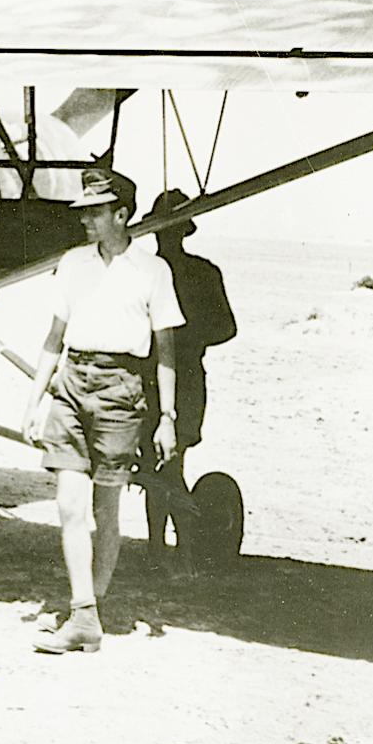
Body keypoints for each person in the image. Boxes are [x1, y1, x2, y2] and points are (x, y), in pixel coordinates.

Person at [21, 168, 185, 653]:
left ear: (121, 214)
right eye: (85, 212)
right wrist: (33, 402)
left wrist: (168, 417)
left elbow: (167, 353)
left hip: (121, 389)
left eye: (95, 212)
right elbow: (53, 339)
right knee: (68, 505)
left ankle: (89, 608)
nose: (86, 220)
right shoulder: (72, 264)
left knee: (104, 509)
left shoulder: (153, 272)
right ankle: (84, 614)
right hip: (72, 381)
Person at [139, 189, 237, 570]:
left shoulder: (197, 272)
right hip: (162, 377)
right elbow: (226, 328)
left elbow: (227, 327)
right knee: (159, 464)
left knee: (165, 464)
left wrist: (181, 337)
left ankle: (173, 550)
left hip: (180, 377)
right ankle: (167, 550)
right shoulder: (168, 272)